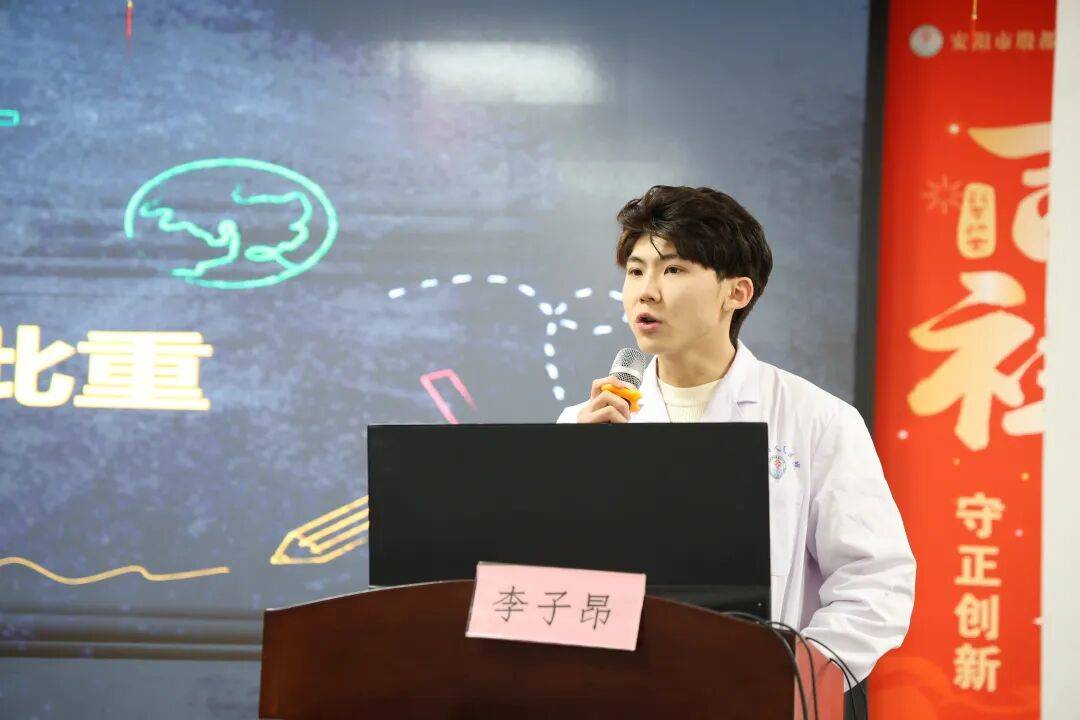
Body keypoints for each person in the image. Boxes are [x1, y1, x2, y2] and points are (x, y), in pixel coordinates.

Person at [557, 185, 915, 685]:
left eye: (673, 270)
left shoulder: (817, 419)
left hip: (760, 692)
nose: (646, 291)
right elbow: (552, 586)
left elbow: (875, 579)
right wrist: (576, 471)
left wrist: (796, 675)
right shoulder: (585, 423)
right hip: (617, 689)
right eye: (636, 271)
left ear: (737, 293)